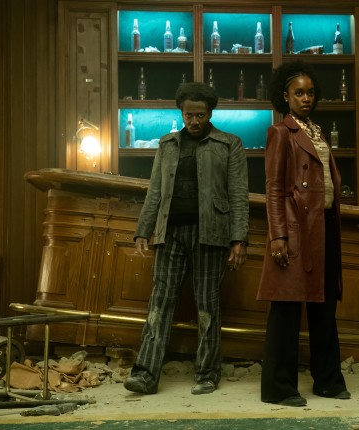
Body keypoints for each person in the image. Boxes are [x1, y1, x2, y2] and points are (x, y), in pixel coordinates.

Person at [125, 82, 249, 396]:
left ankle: (207, 374)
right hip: (169, 233)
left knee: (207, 305)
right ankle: (145, 374)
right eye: (189, 115)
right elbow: (155, 190)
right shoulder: (167, 144)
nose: (194, 121)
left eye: (200, 115)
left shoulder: (229, 144)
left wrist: (239, 239)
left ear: (210, 114)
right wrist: (143, 229)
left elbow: (238, 195)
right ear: (181, 112)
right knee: (159, 303)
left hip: (211, 234)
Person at [257, 61, 350, 407]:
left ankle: (327, 381)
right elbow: (274, 189)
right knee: (285, 309)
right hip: (296, 229)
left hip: (323, 227)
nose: (306, 98)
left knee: (324, 307)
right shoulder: (281, 132)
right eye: (298, 93)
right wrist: (279, 236)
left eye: (310, 92)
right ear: (285, 96)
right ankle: (278, 388)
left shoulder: (317, 131)